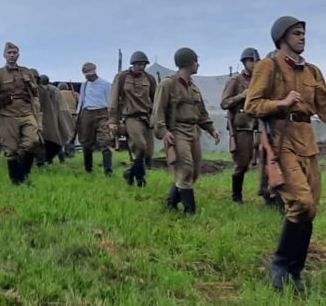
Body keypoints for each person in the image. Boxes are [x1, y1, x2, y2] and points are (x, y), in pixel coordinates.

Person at [244, 16, 326, 291]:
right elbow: (252, 105)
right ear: (281, 37)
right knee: (301, 203)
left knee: (310, 207)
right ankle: (281, 265)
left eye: (303, 33)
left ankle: (295, 272)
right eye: (296, 33)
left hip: (306, 140)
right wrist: (281, 102)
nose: (302, 38)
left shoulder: (312, 72)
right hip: (281, 138)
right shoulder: (268, 66)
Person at [151, 47, 221, 214]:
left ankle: (171, 202)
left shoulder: (194, 88)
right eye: (196, 61)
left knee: (195, 171)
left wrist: (211, 129)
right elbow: (158, 110)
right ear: (189, 63)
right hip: (177, 131)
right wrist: (163, 131)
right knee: (186, 168)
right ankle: (190, 211)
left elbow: (202, 112)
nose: (198, 64)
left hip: (193, 130)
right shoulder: (167, 84)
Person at [0, 42, 41, 184]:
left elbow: (35, 92)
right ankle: (16, 181)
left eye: (14, 53)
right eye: (9, 53)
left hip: (26, 112)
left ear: (18, 55)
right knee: (11, 148)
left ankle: (24, 173)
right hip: (7, 114)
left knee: (33, 141)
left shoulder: (26, 72)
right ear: (4, 55)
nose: (12, 55)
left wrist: (29, 83)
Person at [109, 51, 157, 187]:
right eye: (139, 64)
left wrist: (157, 117)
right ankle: (141, 180)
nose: (141, 67)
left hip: (146, 118)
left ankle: (130, 173)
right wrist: (112, 120)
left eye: (144, 64)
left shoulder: (150, 79)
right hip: (131, 117)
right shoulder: (122, 77)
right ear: (133, 64)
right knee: (140, 146)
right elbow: (113, 99)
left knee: (148, 153)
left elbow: (156, 100)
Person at [220, 47, 261, 203]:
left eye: (256, 61)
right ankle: (236, 196)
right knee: (242, 164)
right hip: (242, 128)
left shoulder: (260, 80)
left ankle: (268, 194)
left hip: (258, 127)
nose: (254, 64)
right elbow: (224, 103)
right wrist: (241, 96)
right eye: (251, 60)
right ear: (244, 62)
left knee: (264, 161)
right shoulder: (235, 80)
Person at [77, 62, 114, 176]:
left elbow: (110, 102)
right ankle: (88, 169)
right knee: (86, 142)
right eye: (86, 75)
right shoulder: (85, 85)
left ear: (94, 72)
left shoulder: (105, 84)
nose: (88, 77)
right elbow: (82, 101)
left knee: (105, 140)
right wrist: (78, 115)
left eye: (89, 74)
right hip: (87, 113)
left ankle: (108, 171)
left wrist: (111, 118)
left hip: (102, 113)